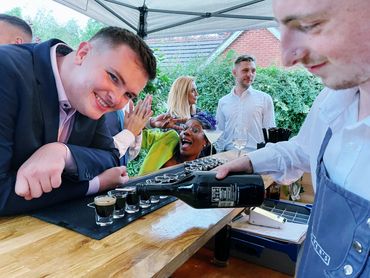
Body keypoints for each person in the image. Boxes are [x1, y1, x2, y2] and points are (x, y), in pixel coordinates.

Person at [215, 0, 370, 276]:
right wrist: (250, 162)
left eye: (310, 24)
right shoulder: (330, 101)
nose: (287, 59)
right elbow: (301, 150)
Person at [0, 26, 156, 215]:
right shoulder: (6, 69)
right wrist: (95, 184)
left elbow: (110, 156)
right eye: (113, 77)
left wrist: (62, 153)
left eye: (128, 95)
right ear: (82, 54)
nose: (115, 99)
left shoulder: (88, 98)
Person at [216, 54, 276, 151]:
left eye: (253, 71)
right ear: (234, 72)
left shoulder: (265, 99)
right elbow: (219, 133)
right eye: (245, 70)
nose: (250, 74)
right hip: (228, 156)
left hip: (255, 156)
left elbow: (270, 133)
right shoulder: (223, 102)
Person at [139, 112, 216, 175]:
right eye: (184, 128)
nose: (186, 132)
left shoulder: (201, 173)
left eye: (195, 130)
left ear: (206, 142)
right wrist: (151, 123)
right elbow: (134, 136)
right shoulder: (168, 138)